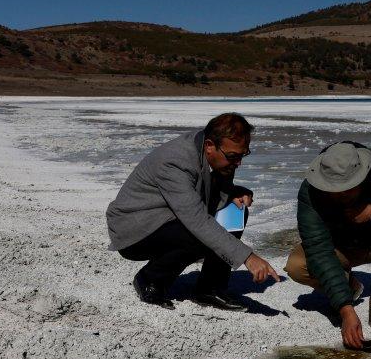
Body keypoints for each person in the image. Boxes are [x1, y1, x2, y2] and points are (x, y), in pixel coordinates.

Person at [106, 112, 281, 310]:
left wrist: (233, 192)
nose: (238, 163)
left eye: (243, 155)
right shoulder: (175, 161)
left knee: (235, 211)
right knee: (196, 234)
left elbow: (208, 191)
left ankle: (210, 289)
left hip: (169, 216)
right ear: (209, 146)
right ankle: (150, 279)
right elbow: (196, 219)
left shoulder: (218, 153)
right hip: (135, 228)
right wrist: (248, 257)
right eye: (233, 156)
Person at [285, 140, 371, 348]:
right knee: (297, 265)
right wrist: (346, 309)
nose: (341, 195)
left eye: (347, 189)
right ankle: (349, 287)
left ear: (362, 176)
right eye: (334, 190)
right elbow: (318, 249)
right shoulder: (310, 191)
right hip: (341, 247)